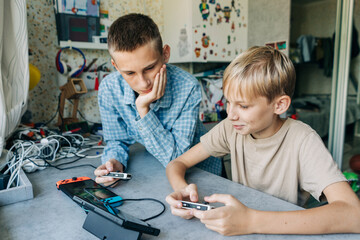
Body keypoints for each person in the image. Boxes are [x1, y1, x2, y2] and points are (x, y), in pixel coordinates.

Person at [165, 46, 360, 235]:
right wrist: (183, 192)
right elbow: (177, 163)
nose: (231, 114)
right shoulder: (231, 128)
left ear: (279, 105)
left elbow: (354, 215)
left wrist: (250, 220)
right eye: (228, 102)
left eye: (243, 106)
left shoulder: (303, 141)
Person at [94, 13, 222, 186]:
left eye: (150, 68)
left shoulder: (187, 87)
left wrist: (143, 109)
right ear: (115, 66)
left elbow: (176, 159)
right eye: (130, 73)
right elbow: (117, 140)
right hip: (160, 174)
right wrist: (115, 162)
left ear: (165, 54)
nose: (143, 82)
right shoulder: (109, 88)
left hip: (203, 173)